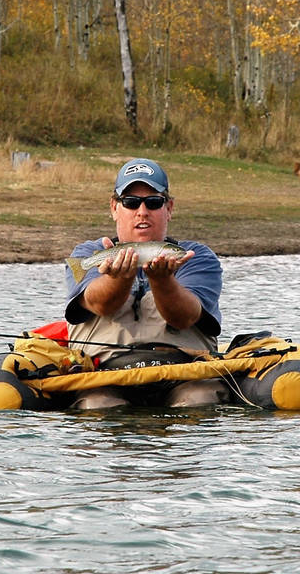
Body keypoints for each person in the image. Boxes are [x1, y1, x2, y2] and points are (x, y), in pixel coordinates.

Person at [64, 158, 228, 409]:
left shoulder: (195, 257)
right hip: (103, 377)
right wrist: (119, 278)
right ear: (114, 208)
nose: (142, 211)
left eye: (153, 202)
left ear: (169, 208)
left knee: (199, 401)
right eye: (130, 202)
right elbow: (98, 304)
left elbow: (185, 318)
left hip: (184, 375)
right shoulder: (89, 252)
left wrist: (162, 281)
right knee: (97, 405)